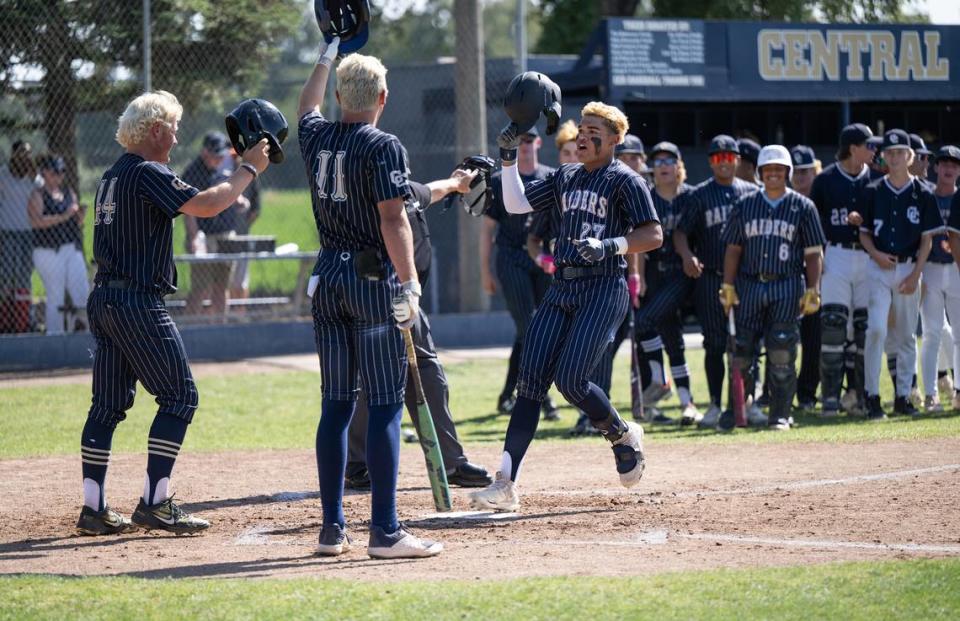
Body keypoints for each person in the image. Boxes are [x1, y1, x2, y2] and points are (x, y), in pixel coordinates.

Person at [76, 90, 271, 536]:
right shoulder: (147, 171)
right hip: (136, 301)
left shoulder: (111, 175)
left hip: (105, 297)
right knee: (181, 398)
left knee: (106, 407)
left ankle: (93, 508)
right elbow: (208, 203)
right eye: (174, 127)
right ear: (156, 130)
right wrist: (249, 169)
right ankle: (156, 502)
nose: (177, 135)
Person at [469, 101, 662, 512]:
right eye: (583, 129)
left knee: (572, 380)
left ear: (614, 140)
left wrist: (611, 244)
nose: (585, 136)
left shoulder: (626, 181)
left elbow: (654, 234)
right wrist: (506, 160)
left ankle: (623, 434)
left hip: (604, 286)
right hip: (563, 286)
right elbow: (517, 204)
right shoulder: (566, 176)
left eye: (596, 131)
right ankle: (504, 483)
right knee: (531, 381)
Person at [297, 38, 441, 558]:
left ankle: (332, 528)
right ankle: (385, 530)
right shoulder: (383, 145)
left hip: (327, 276)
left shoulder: (317, 137)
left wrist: (326, 52)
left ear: (340, 95)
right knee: (383, 402)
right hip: (370, 280)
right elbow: (392, 217)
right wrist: (410, 284)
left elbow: (305, 107)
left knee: (335, 405)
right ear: (383, 96)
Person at [344, 171, 492, 490]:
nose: (403, 180)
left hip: (410, 300)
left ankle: (447, 461)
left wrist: (457, 183)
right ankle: (359, 462)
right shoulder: (372, 202)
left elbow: (433, 190)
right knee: (386, 377)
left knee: (424, 375)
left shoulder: (407, 191)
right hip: (382, 296)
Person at [720, 144, 826, 430]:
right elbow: (733, 248)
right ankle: (737, 410)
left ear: (788, 172)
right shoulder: (745, 204)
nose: (774, 175)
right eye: (768, 170)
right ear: (760, 173)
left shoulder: (803, 207)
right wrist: (727, 285)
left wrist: (813, 288)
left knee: (782, 353)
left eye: (779, 170)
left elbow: (814, 253)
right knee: (741, 352)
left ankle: (780, 413)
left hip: (787, 285)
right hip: (750, 285)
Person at [674, 135, 759, 428]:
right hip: (710, 277)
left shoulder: (752, 193)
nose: (724, 163)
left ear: (738, 160)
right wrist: (687, 256)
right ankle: (714, 404)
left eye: (729, 157)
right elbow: (681, 232)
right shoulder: (699, 195)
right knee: (715, 343)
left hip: (746, 279)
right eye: (717, 158)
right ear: (711, 162)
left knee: (747, 341)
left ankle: (748, 401)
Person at [859, 129, 943, 420]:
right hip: (879, 267)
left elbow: (927, 240)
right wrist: (876, 255)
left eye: (900, 153)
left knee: (907, 336)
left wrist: (915, 274)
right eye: (890, 153)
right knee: (877, 330)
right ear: (884, 157)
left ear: (910, 157)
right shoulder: (872, 190)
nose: (894, 157)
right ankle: (871, 396)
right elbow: (865, 234)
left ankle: (903, 396)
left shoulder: (924, 192)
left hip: (909, 267)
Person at [481, 126, 560, 420]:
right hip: (511, 258)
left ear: (538, 142)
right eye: (519, 141)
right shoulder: (502, 180)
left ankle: (506, 395)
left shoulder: (551, 178)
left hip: (542, 258)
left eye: (528, 140)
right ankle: (543, 396)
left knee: (535, 329)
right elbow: (487, 230)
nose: (524, 145)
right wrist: (485, 271)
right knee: (530, 327)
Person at [632, 141, 701, 425]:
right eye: (657, 161)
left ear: (679, 166)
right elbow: (637, 240)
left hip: (682, 273)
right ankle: (687, 403)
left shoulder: (691, 197)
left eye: (668, 161)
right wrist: (638, 277)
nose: (663, 166)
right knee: (672, 339)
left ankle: (660, 381)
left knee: (645, 322)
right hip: (654, 273)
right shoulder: (646, 197)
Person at [810, 123, 875, 418]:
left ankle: (859, 397)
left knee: (863, 329)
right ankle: (831, 400)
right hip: (835, 254)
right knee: (834, 327)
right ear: (853, 147)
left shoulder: (874, 179)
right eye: (868, 145)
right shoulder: (824, 180)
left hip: (867, 257)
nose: (873, 150)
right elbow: (814, 224)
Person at [918, 146, 960, 411]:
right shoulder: (925, 196)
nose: (948, 168)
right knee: (931, 333)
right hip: (930, 268)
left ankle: (958, 392)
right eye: (943, 162)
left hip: (956, 268)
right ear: (935, 167)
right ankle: (931, 393)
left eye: (954, 164)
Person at [28, 154, 89, 334]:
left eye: (62, 172)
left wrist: (79, 216)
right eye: (55, 172)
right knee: (56, 295)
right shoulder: (38, 195)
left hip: (71, 248)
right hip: (47, 251)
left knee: (82, 292)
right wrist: (64, 216)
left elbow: (75, 221)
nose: (59, 176)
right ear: (45, 173)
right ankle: (54, 337)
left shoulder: (68, 193)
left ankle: (84, 333)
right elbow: (36, 222)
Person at [183, 131, 239, 318]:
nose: (219, 158)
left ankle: (220, 327)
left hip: (225, 234)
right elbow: (188, 209)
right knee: (200, 288)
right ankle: (191, 327)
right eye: (215, 154)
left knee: (221, 286)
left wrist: (238, 201)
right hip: (203, 237)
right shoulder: (192, 173)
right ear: (204, 152)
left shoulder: (225, 168)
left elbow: (226, 193)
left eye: (221, 154)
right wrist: (194, 238)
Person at [788, 144, 822, 411]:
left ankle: (808, 393)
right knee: (780, 339)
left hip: (818, 276)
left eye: (806, 171)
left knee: (814, 337)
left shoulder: (821, 200)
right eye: (796, 171)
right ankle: (772, 393)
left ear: (815, 171)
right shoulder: (783, 200)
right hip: (786, 278)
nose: (800, 177)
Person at [0, 140, 37, 333]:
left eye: (28, 153)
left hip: (28, 233)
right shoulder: (3, 174)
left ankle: (23, 321)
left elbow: (41, 193)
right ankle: (5, 321)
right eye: (22, 153)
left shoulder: (33, 177)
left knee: (24, 277)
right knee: (6, 276)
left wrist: (33, 172)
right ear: (13, 154)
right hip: (7, 232)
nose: (26, 156)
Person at [227, 147, 262, 303]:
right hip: (225, 233)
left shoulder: (251, 176)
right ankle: (227, 314)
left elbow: (255, 209)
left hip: (241, 233)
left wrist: (244, 225)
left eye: (238, 157)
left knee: (241, 279)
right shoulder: (225, 176)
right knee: (225, 279)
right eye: (233, 157)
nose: (236, 160)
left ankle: (240, 312)